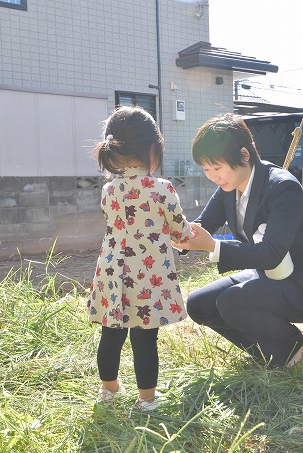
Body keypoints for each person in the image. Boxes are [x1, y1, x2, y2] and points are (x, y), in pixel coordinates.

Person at [173, 114, 303, 368]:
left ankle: (294, 346)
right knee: (199, 305)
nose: (212, 176)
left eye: (217, 167)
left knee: (230, 301)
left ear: (244, 155)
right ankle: (269, 353)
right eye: (206, 169)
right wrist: (176, 232)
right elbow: (202, 225)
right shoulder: (227, 189)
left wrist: (212, 246)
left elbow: (271, 253)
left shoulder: (283, 188)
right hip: (269, 275)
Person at [87, 106, 192, 411]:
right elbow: (179, 229)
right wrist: (189, 232)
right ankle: (146, 399)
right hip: (147, 274)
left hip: (112, 271)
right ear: (152, 149)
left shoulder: (109, 190)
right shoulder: (161, 189)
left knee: (111, 333)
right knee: (144, 339)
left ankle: (109, 391)